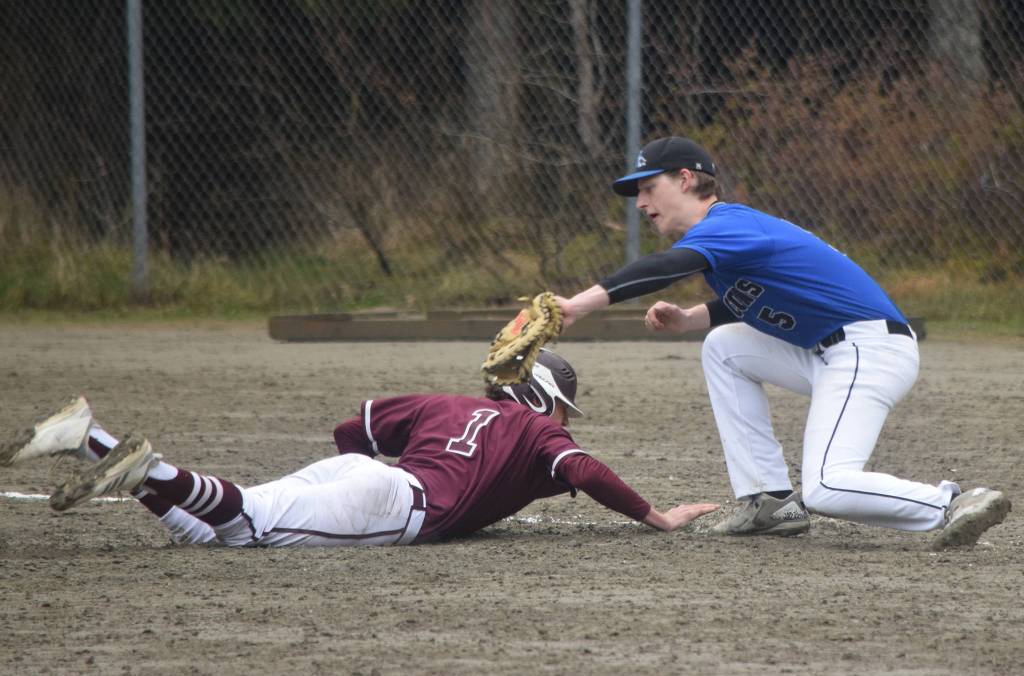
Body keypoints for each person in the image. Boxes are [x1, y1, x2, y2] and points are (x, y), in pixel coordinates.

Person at [554, 136, 1010, 549]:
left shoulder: (726, 225)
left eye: (648, 187)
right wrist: (692, 318)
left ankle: (951, 503)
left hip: (867, 351)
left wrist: (578, 305)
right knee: (724, 347)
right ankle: (770, 503)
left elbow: (662, 267)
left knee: (828, 486)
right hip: (830, 351)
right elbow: (759, 296)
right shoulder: (732, 232)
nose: (640, 202)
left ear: (686, 179)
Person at [0, 350, 719, 547]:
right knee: (248, 523)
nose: (565, 419)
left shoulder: (450, 403)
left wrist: (364, 473)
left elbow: (356, 430)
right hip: (399, 505)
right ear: (541, 398)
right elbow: (581, 467)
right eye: (561, 404)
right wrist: (656, 517)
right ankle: (149, 468)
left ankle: (87, 438)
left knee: (206, 533)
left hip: (364, 473)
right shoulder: (539, 433)